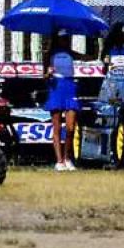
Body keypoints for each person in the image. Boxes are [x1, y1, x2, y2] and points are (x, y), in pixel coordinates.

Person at [45, 37, 80, 172]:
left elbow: (89, 56)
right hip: (56, 88)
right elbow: (44, 76)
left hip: (70, 87)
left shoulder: (70, 53)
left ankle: (67, 158)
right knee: (57, 127)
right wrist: (48, 74)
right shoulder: (49, 55)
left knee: (71, 127)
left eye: (66, 38)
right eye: (61, 38)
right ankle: (59, 161)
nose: (64, 41)